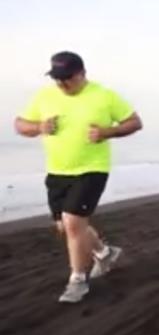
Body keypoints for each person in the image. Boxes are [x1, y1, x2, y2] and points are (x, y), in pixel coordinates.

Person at [13, 51, 143, 303]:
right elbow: (20, 124)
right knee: (68, 227)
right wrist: (38, 127)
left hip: (92, 169)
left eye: (67, 78)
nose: (61, 84)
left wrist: (108, 131)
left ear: (82, 74)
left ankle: (77, 280)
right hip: (57, 171)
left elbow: (134, 122)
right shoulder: (45, 96)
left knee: (73, 223)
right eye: (57, 78)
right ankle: (105, 253)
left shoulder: (104, 95)